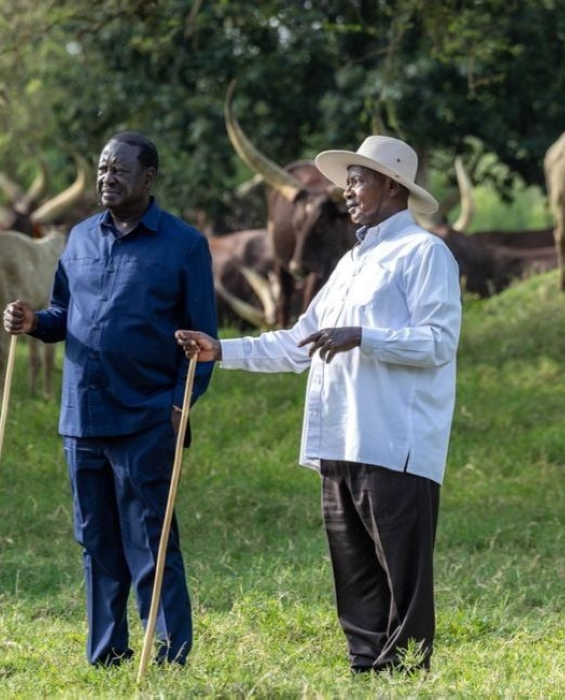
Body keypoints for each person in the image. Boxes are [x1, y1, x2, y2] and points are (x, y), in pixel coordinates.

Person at [176, 135, 462, 674]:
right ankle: (364, 669)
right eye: (348, 180)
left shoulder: (426, 253)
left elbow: (438, 342)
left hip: (394, 444)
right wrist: (221, 351)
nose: (347, 191)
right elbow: (297, 343)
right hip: (338, 440)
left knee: (402, 576)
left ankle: (406, 677)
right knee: (353, 574)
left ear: (393, 187)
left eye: (359, 179)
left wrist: (365, 337)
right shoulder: (353, 261)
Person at [3, 131, 218, 667]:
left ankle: (169, 654)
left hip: (148, 415)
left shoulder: (183, 245)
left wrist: (179, 406)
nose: (107, 178)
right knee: (95, 541)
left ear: (148, 178)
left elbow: (202, 344)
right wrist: (34, 323)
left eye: (119, 170)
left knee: (152, 539)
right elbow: (62, 314)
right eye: (102, 169)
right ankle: (107, 652)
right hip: (83, 414)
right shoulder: (78, 239)